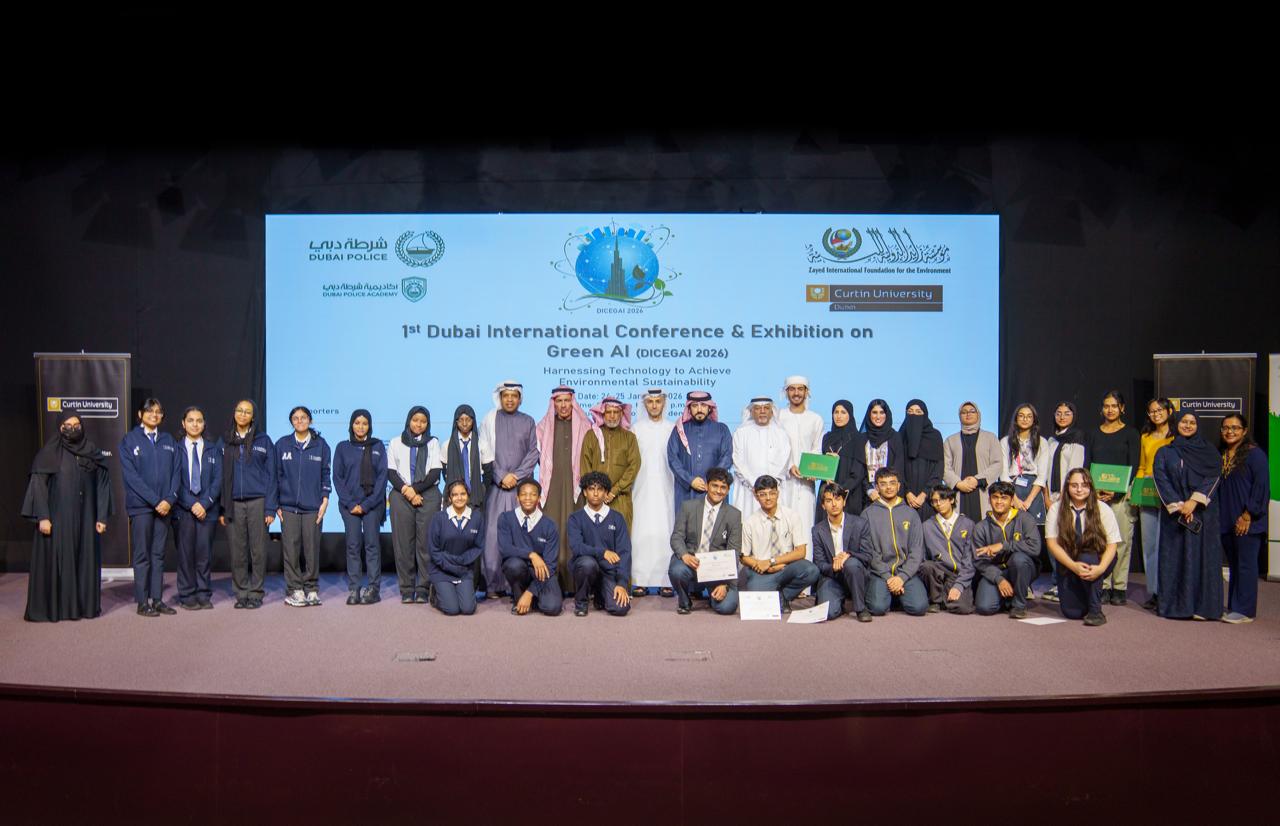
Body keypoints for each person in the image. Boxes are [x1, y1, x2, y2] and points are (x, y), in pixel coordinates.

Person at [21, 413, 112, 622]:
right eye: (67, 425)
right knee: (61, 561)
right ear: (60, 427)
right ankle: (60, 609)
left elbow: (103, 483)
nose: (72, 428)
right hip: (58, 518)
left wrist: (102, 516)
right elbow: (38, 485)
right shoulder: (49, 452)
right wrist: (43, 516)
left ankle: (82, 607)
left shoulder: (92, 451)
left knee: (84, 559)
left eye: (76, 425)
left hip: (87, 518)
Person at [1153, 412, 1223, 621]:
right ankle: (1176, 606)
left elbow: (1213, 476)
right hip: (1175, 516)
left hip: (1203, 513)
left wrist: (1193, 502)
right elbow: (1161, 478)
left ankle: (1203, 607)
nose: (1188, 425)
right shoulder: (1165, 452)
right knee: (1175, 559)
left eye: (1192, 422)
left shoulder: (1209, 451)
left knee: (1203, 559)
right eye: (1184, 422)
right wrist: (1180, 506)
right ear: (1177, 424)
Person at [120, 398, 181, 616]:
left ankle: (157, 600)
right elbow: (131, 478)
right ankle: (142, 601)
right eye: (149, 411)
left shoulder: (168, 440)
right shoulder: (129, 440)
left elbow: (177, 473)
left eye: (158, 412)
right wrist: (155, 501)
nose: (154, 415)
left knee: (158, 554)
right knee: (142, 555)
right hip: (142, 508)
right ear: (140, 414)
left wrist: (169, 500)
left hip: (165, 507)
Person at [480, 380, 540, 596]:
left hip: (521, 489)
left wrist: (517, 476)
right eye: (506, 396)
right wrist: (501, 476)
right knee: (492, 535)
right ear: (500, 398)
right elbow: (484, 450)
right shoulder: (490, 419)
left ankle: (517, 585)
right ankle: (493, 585)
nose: (510, 400)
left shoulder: (529, 421)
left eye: (514, 396)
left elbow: (534, 452)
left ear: (520, 399)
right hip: (497, 487)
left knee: (521, 535)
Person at [218, 399, 277, 610]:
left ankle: (256, 593)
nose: (243, 414)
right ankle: (241, 593)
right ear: (234, 413)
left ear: (253, 416)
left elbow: (272, 476)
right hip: (233, 503)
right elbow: (220, 477)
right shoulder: (225, 441)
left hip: (258, 502)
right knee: (237, 552)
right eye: (240, 410)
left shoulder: (264, 440)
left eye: (248, 412)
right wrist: (223, 508)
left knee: (258, 551)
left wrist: (270, 508)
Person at [1085, 391, 1140, 605]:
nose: (1110, 410)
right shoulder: (1093, 433)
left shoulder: (1131, 434)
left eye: (1114, 406)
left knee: (1122, 541)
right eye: (1106, 406)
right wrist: (1094, 491)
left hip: (1122, 496)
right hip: (1097, 496)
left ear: (1122, 408)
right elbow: (1088, 464)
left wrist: (1116, 492)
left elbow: (1133, 465)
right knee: (1100, 542)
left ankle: (1119, 587)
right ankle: (1104, 585)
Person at [535, 386, 590, 594]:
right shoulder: (543, 428)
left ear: (573, 402)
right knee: (552, 531)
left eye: (567, 400)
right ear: (554, 403)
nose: (564, 405)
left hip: (577, 489)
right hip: (552, 488)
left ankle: (576, 585)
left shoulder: (585, 426)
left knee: (575, 532)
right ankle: (550, 583)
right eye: (559, 401)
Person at [1045, 469, 1119, 626]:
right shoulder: (1056, 509)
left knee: (1087, 558)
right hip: (1069, 561)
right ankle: (1089, 596)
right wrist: (1073, 566)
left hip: (1097, 559)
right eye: (1074, 485)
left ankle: (1095, 611)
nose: (1079, 489)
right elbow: (1052, 543)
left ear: (1090, 487)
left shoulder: (1103, 509)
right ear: (1067, 487)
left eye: (1084, 485)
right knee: (1073, 613)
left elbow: (1112, 545)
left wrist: (1101, 568)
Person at [274, 406, 330, 608]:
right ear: (292, 422)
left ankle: (312, 589)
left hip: (313, 507)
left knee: (312, 550)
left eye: (303, 417)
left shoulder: (321, 445)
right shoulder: (282, 444)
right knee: (290, 549)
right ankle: (295, 590)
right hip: (288, 507)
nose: (300, 421)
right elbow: (275, 475)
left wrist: (325, 500)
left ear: (310, 420)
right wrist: (276, 504)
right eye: (296, 418)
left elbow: (326, 475)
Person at [386, 405, 442, 604]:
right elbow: (391, 472)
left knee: (425, 543)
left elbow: (435, 472)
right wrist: (408, 491)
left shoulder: (433, 443)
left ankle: (423, 588)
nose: (419, 424)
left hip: (428, 493)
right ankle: (407, 588)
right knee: (403, 544)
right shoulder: (395, 442)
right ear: (409, 420)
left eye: (423, 421)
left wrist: (415, 490)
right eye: (415, 420)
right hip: (401, 494)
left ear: (428, 424)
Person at [739, 475, 819, 611]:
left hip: (785, 567)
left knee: (811, 571)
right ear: (756, 496)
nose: (768, 498)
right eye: (763, 494)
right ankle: (778, 597)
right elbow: (743, 557)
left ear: (778, 493)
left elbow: (801, 552)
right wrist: (762, 565)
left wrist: (771, 562)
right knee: (755, 594)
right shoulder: (750, 522)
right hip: (761, 571)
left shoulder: (792, 516)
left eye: (772, 493)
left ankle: (783, 596)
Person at [668, 466, 741, 615]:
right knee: (677, 570)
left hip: (717, 568)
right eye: (714, 485)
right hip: (691, 561)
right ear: (707, 486)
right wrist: (684, 555)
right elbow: (677, 537)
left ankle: (713, 594)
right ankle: (685, 601)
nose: (718, 491)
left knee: (726, 607)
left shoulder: (734, 515)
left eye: (723, 487)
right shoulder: (688, 507)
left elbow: (734, 552)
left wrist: (725, 583)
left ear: (728, 490)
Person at [332, 409, 388, 605]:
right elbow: (337, 478)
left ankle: (373, 589)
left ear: (369, 426)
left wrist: (366, 505)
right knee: (353, 546)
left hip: (372, 505)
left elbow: (382, 478)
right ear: (351, 425)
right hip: (349, 506)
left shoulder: (377, 446)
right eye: (357, 423)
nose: (361, 427)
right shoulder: (342, 447)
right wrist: (351, 504)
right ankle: (354, 588)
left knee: (372, 545)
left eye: (365, 423)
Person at [1218, 414, 1268, 623]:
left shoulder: (1255, 455)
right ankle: (1234, 606)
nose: (1230, 431)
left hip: (1248, 521)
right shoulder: (1222, 454)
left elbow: (1261, 487)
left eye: (1235, 428)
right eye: (1226, 428)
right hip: (1227, 519)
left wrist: (1248, 515)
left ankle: (1245, 611)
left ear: (1244, 431)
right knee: (1235, 565)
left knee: (1246, 565)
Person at [862, 467, 928, 616]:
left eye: (892, 483)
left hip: (906, 572)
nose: (889, 487)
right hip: (880, 573)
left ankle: (897, 594)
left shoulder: (911, 513)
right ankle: (891, 594)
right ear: (877, 487)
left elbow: (917, 550)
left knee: (919, 607)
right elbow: (869, 552)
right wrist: (889, 578)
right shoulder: (867, 514)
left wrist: (902, 577)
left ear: (898, 486)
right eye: (883, 484)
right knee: (877, 608)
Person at [971, 480, 1041, 619]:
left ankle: (1019, 605)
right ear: (989, 500)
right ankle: (1008, 597)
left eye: (1004, 498)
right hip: (996, 571)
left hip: (1023, 567)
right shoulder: (980, 527)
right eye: (995, 497)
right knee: (984, 607)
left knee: (1018, 559)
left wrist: (1003, 545)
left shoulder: (1025, 519)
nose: (999, 502)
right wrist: (999, 579)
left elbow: (1035, 547)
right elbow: (979, 561)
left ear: (1012, 500)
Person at [174, 406, 221, 610]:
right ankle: (187, 594)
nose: (195, 424)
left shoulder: (213, 449)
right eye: (191, 420)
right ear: (183, 424)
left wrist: (204, 503)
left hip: (207, 510)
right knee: (186, 555)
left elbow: (218, 480)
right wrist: (191, 503)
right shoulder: (175, 449)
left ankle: (203, 593)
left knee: (204, 555)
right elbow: (174, 480)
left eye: (199, 421)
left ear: (204, 424)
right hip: (183, 510)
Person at [567, 471, 632, 617]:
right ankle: (581, 602)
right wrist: (603, 552)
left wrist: (621, 584)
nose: (595, 493)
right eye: (591, 489)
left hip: (608, 572)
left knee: (621, 608)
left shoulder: (617, 518)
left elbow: (624, 552)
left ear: (606, 493)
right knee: (588, 564)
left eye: (600, 489)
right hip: (585, 568)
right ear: (585, 492)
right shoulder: (575, 518)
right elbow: (577, 547)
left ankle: (600, 594)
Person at [1041, 401, 1087, 602]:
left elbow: (1074, 472)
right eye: (1058, 413)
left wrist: (1062, 498)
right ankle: (1056, 582)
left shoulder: (1078, 438)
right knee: (1052, 540)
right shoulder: (1050, 440)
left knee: (1067, 540)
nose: (1062, 416)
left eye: (1067, 413)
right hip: (1050, 497)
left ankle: (1067, 584)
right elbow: (1044, 470)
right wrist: (1046, 498)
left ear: (1073, 416)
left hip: (1067, 496)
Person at [631, 388, 676, 597]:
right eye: (650, 402)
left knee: (666, 530)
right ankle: (639, 580)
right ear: (645, 405)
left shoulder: (672, 428)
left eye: (658, 401)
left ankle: (666, 581)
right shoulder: (636, 429)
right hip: (641, 488)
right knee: (641, 530)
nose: (655, 405)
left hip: (667, 487)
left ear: (664, 403)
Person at [497, 478, 563, 616]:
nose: (528, 498)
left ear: (539, 498)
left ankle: (530, 597)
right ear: (517, 497)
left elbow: (550, 565)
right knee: (513, 565)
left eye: (533, 494)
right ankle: (518, 597)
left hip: (542, 573)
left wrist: (530, 592)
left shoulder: (550, 525)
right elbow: (505, 549)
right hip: (520, 568)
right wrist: (532, 555)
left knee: (552, 608)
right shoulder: (505, 518)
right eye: (524, 494)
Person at [811, 483, 873, 621]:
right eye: (829, 501)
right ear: (823, 505)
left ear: (844, 502)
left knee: (851, 564)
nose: (834, 504)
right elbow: (819, 563)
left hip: (856, 574)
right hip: (832, 576)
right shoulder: (817, 530)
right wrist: (833, 566)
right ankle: (840, 601)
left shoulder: (860, 523)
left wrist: (848, 555)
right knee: (828, 613)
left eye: (838, 499)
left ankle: (860, 609)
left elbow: (868, 556)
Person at [579, 395, 641, 529]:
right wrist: (596, 491)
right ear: (603, 414)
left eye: (616, 412)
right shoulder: (591, 435)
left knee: (621, 536)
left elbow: (634, 466)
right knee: (594, 536)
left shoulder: (629, 438)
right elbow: (585, 466)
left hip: (620, 498)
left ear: (621, 414)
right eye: (608, 412)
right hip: (595, 499)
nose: (612, 416)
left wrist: (614, 491)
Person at [1136, 398, 1174, 611]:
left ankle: (1169, 589)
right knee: (1149, 544)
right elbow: (1142, 467)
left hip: (1169, 493)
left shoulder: (1176, 437)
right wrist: (1137, 491)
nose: (1156, 414)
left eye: (1160, 410)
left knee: (1166, 544)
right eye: (1152, 411)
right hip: (1148, 492)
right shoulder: (1145, 437)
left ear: (1169, 411)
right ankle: (1155, 591)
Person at [666, 390, 733, 512]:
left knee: (717, 523)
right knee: (687, 523)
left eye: (703, 405)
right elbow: (673, 459)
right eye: (695, 406)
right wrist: (690, 480)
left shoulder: (722, 429)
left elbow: (727, 457)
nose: (699, 409)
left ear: (710, 408)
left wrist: (711, 481)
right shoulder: (679, 430)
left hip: (715, 491)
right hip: (687, 491)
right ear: (689, 408)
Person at [775, 376, 823, 543]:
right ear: (786, 392)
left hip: (806, 483)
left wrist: (811, 470)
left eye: (800, 389)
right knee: (781, 523)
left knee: (805, 523)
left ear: (806, 392)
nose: (796, 393)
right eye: (792, 389)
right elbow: (774, 447)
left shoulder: (815, 419)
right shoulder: (778, 417)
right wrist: (789, 465)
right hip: (783, 480)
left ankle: (806, 558)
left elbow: (817, 448)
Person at [428, 481, 486, 616]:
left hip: (464, 569)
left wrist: (462, 561)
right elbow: (433, 549)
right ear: (449, 498)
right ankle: (435, 594)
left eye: (463, 494)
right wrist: (450, 563)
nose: (459, 498)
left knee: (468, 609)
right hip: (441, 569)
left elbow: (478, 546)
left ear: (468, 496)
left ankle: (453, 592)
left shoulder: (477, 517)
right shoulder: (438, 518)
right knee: (452, 609)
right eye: (455, 495)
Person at [919, 484, 976, 614]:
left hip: (959, 574)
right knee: (927, 566)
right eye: (934, 501)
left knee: (963, 608)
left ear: (951, 500)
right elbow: (922, 557)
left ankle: (943, 596)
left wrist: (959, 585)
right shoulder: (927, 526)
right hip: (938, 572)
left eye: (942, 499)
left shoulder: (968, 524)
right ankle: (936, 600)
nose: (938, 504)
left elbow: (970, 559)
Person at [731, 397, 791, 520]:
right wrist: (754, 484)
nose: (762, 411)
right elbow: (737, 461)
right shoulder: (741, 433)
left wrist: (770, 486)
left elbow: (784, 461)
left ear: (772, 412)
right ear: (751, 412)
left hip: (773, 489)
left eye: (766, 408)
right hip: (748, 490)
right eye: (758, 408)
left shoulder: (781, 433)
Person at [943, 401, 1002, 523]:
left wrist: (977, 480)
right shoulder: (950, 440)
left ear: (978, 414)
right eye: (964, 412)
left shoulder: (990, 438)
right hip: (959, 492)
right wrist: (958, 483)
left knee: (983, 528)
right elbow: (944, 467)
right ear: (959, 416)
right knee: (959, 528)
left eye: (972, 411)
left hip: (982, 490)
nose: (968, 414)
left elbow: (997, 464)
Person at [999, 403, 1049, 525]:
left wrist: (1028, 501)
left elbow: (1042, 476)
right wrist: (1014, 499)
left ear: (1034, 419)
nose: (1025, 419)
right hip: (1011, 489)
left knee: (1034, 529)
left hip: (1033, 490)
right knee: (1011, 528)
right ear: (1016, 419)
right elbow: (1003, 475)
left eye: (1029, 416)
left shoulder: (1042, 442)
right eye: (1021, 416)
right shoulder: (1005, 441)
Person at [854, 399, 905, 515]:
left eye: (882, 412)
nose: (878, 416)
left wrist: (886, 488)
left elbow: (898, 467)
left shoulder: (895, 437)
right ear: (869, 415)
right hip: (867, 498)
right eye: (874, 412)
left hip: (890, 496)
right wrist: (870, 490)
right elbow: (859, 470)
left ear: (887, 415)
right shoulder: (861, 438)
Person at [901, 399, 944, 523]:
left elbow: (938, 469)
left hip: (928, 499)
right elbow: (897, 468)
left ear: (925, 414)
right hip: (905, 499)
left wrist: (924, 494)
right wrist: (907, 492)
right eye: (910, 412)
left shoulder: (935, 436)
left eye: (918, 412)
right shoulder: (900, 436)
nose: (914, 415)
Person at [442, 404, 488, 511]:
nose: (464, 423)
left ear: (473, 421)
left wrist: (480, 488)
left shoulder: (482, 444)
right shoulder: (447, 445)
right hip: (454, 494)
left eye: (468, 420)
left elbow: (488, 471)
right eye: (461, 420)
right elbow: (444, 471)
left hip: (476, 493)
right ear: (456, 422)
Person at [822, 399, 863, 515]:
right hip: (828, 491)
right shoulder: (827, 438)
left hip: (849, 492)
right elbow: (822, 466)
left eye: (843, 412)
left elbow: (859, 472)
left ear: (850, 415)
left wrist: (840, 490)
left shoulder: (858, 438)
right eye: (836, 412)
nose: (839, 416)